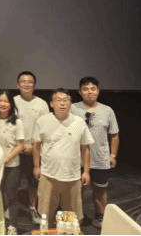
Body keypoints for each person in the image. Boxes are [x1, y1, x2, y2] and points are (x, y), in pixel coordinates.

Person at [33, 88, 94, 225]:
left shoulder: (79, 122)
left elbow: (85, 148)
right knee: (46, 216)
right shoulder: (42, 121)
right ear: (51, 104)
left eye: (66, 100)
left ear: (70, 104)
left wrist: (86, 171)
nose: (62, 103)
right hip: (48, 175)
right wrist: (36, 166)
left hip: (72, 176)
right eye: (58, 100)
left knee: (71, 218)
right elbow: (36, 146)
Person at [71, 77, 119, 229]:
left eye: (93, 89)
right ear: (80, 92)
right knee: (77, 190)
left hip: (100, 159)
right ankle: (77, 216)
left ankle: (100, 216)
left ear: (98, 91)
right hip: (77, 159)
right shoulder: (72, 108)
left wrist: (113, 155)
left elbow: (114, 134)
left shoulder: (108, 110)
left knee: (100, 190)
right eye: (85, 89)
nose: (89, 92)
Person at [13, 71, 49, 224]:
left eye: (30, 82)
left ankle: (33, 208)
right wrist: (19, 146)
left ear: (34, 85)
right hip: (14, 150)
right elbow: (8, 125)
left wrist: (33, 146)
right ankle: (10, 208)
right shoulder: (12, 101)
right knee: (12, 181)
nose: (26, 84)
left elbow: (45, 128)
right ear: (18, 85)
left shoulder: (42, 104)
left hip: (34, 149)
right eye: (23, 81)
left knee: (34, 181)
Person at [0, 91, 25, 236]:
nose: (2, 104)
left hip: (11, 165)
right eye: (0, 101)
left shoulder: (17, 122)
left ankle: (12, 226)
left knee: (11, 196)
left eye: (6, 101)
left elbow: (20, 145)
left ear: (11, 104)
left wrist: (6, 159)